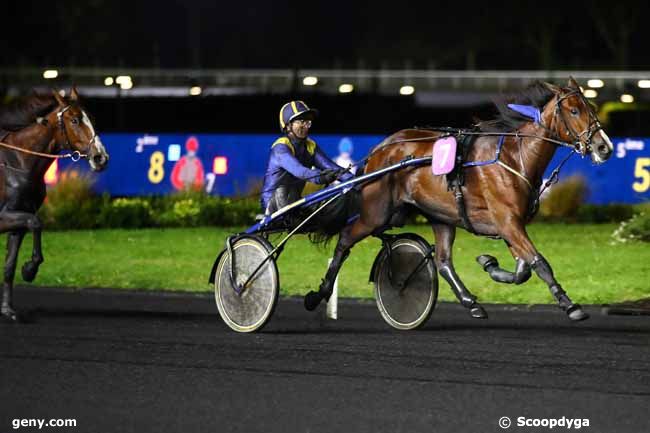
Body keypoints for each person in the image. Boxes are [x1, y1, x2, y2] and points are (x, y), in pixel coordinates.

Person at [261, 101, 353, 214]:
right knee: (282, 190)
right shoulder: (280, 148)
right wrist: (322, 177)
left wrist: (355, 181)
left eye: (308, 122)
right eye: (301, 122)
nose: (306, 126)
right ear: (288, 125)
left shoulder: (310, 146)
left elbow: (332, 168)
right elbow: (300, 171)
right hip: (272, 204)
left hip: (293, 200)